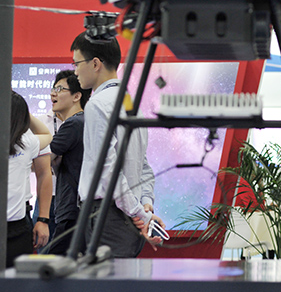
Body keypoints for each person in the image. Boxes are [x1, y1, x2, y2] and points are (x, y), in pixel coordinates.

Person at [70, 32, 164, 257]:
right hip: (128, 214)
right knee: (125, 278)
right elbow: (143, 165)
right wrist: (145, 204)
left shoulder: (97, 105)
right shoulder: (131, 104)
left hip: (109, 218)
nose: (75, 71)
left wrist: (140, 214)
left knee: (108, 280)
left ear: (95, 64)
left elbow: (107, 171)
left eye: (77, 63)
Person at [44, 70, 91, 255]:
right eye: (53, 89)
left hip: (72, 210)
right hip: (79, 208)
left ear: (77, 96)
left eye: (59, 89)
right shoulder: (85, 122)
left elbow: (42, 160)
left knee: (52, 263)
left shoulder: (73, 124)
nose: (52, 94)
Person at [6, 91, 53, 268]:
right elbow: (46, 133)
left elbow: (44, 174)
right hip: (16, 227)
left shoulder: (26, 141)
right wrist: (22, 110)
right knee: (16, 280)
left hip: (17, 224)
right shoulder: (26, 142)